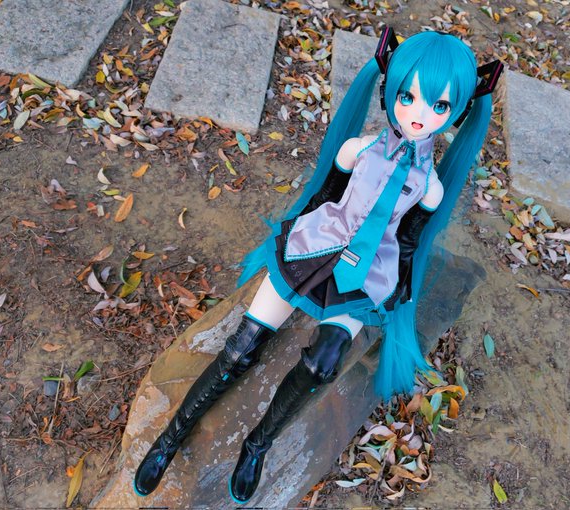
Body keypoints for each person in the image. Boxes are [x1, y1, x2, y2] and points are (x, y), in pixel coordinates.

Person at [133, 28, 500, 504]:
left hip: (369, 269)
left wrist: (397, 291)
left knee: (323, 363)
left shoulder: (430, 188)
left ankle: (257, 445)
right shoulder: (358, 149)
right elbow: (324, 195)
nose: (418, 114)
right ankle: (170, 438)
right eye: (407, 97)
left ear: (458, 111)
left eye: (439, 106)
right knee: (241, 348)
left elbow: (408, 242)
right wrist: (292, 241)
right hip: (319, 241)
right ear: (389, 89)